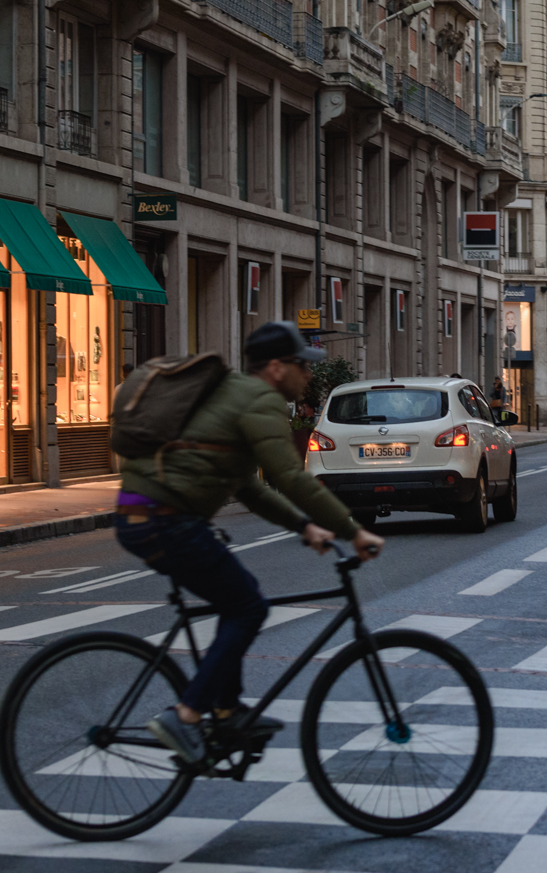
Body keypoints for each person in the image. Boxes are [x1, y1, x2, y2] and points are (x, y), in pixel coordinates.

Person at [117, 322, 385, 764]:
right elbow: (290, 476)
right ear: (277, 368)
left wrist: (304, 528)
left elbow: (248, 487)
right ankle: (184, 716)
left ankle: (224, 709)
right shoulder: (261, 401)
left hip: (151, 513)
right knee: (247, 607)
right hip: (162, 517)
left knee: (235, 602)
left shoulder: (236, 395)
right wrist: (352, 530)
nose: (308, 375)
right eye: (302, 365)